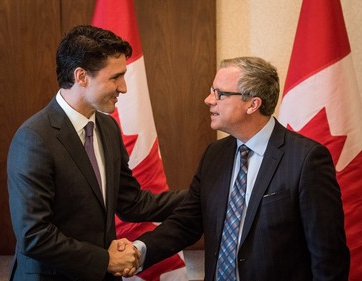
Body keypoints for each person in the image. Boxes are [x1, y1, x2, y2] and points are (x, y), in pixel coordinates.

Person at [135, 56, 350, 280]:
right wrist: (138, 251)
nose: (208, 100)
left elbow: (328, 256)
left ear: (252, 104)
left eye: (220, 94)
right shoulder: (214, 155)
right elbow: (187, 221)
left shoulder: (306, 159)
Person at [7, 25, 186, 281]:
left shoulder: (107, 127)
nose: (123, 88)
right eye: (115, 77)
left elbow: (132, 203)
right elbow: (34, 235)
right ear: (81, 77)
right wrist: (106, 260)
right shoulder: (34, 138)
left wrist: (202, 195)